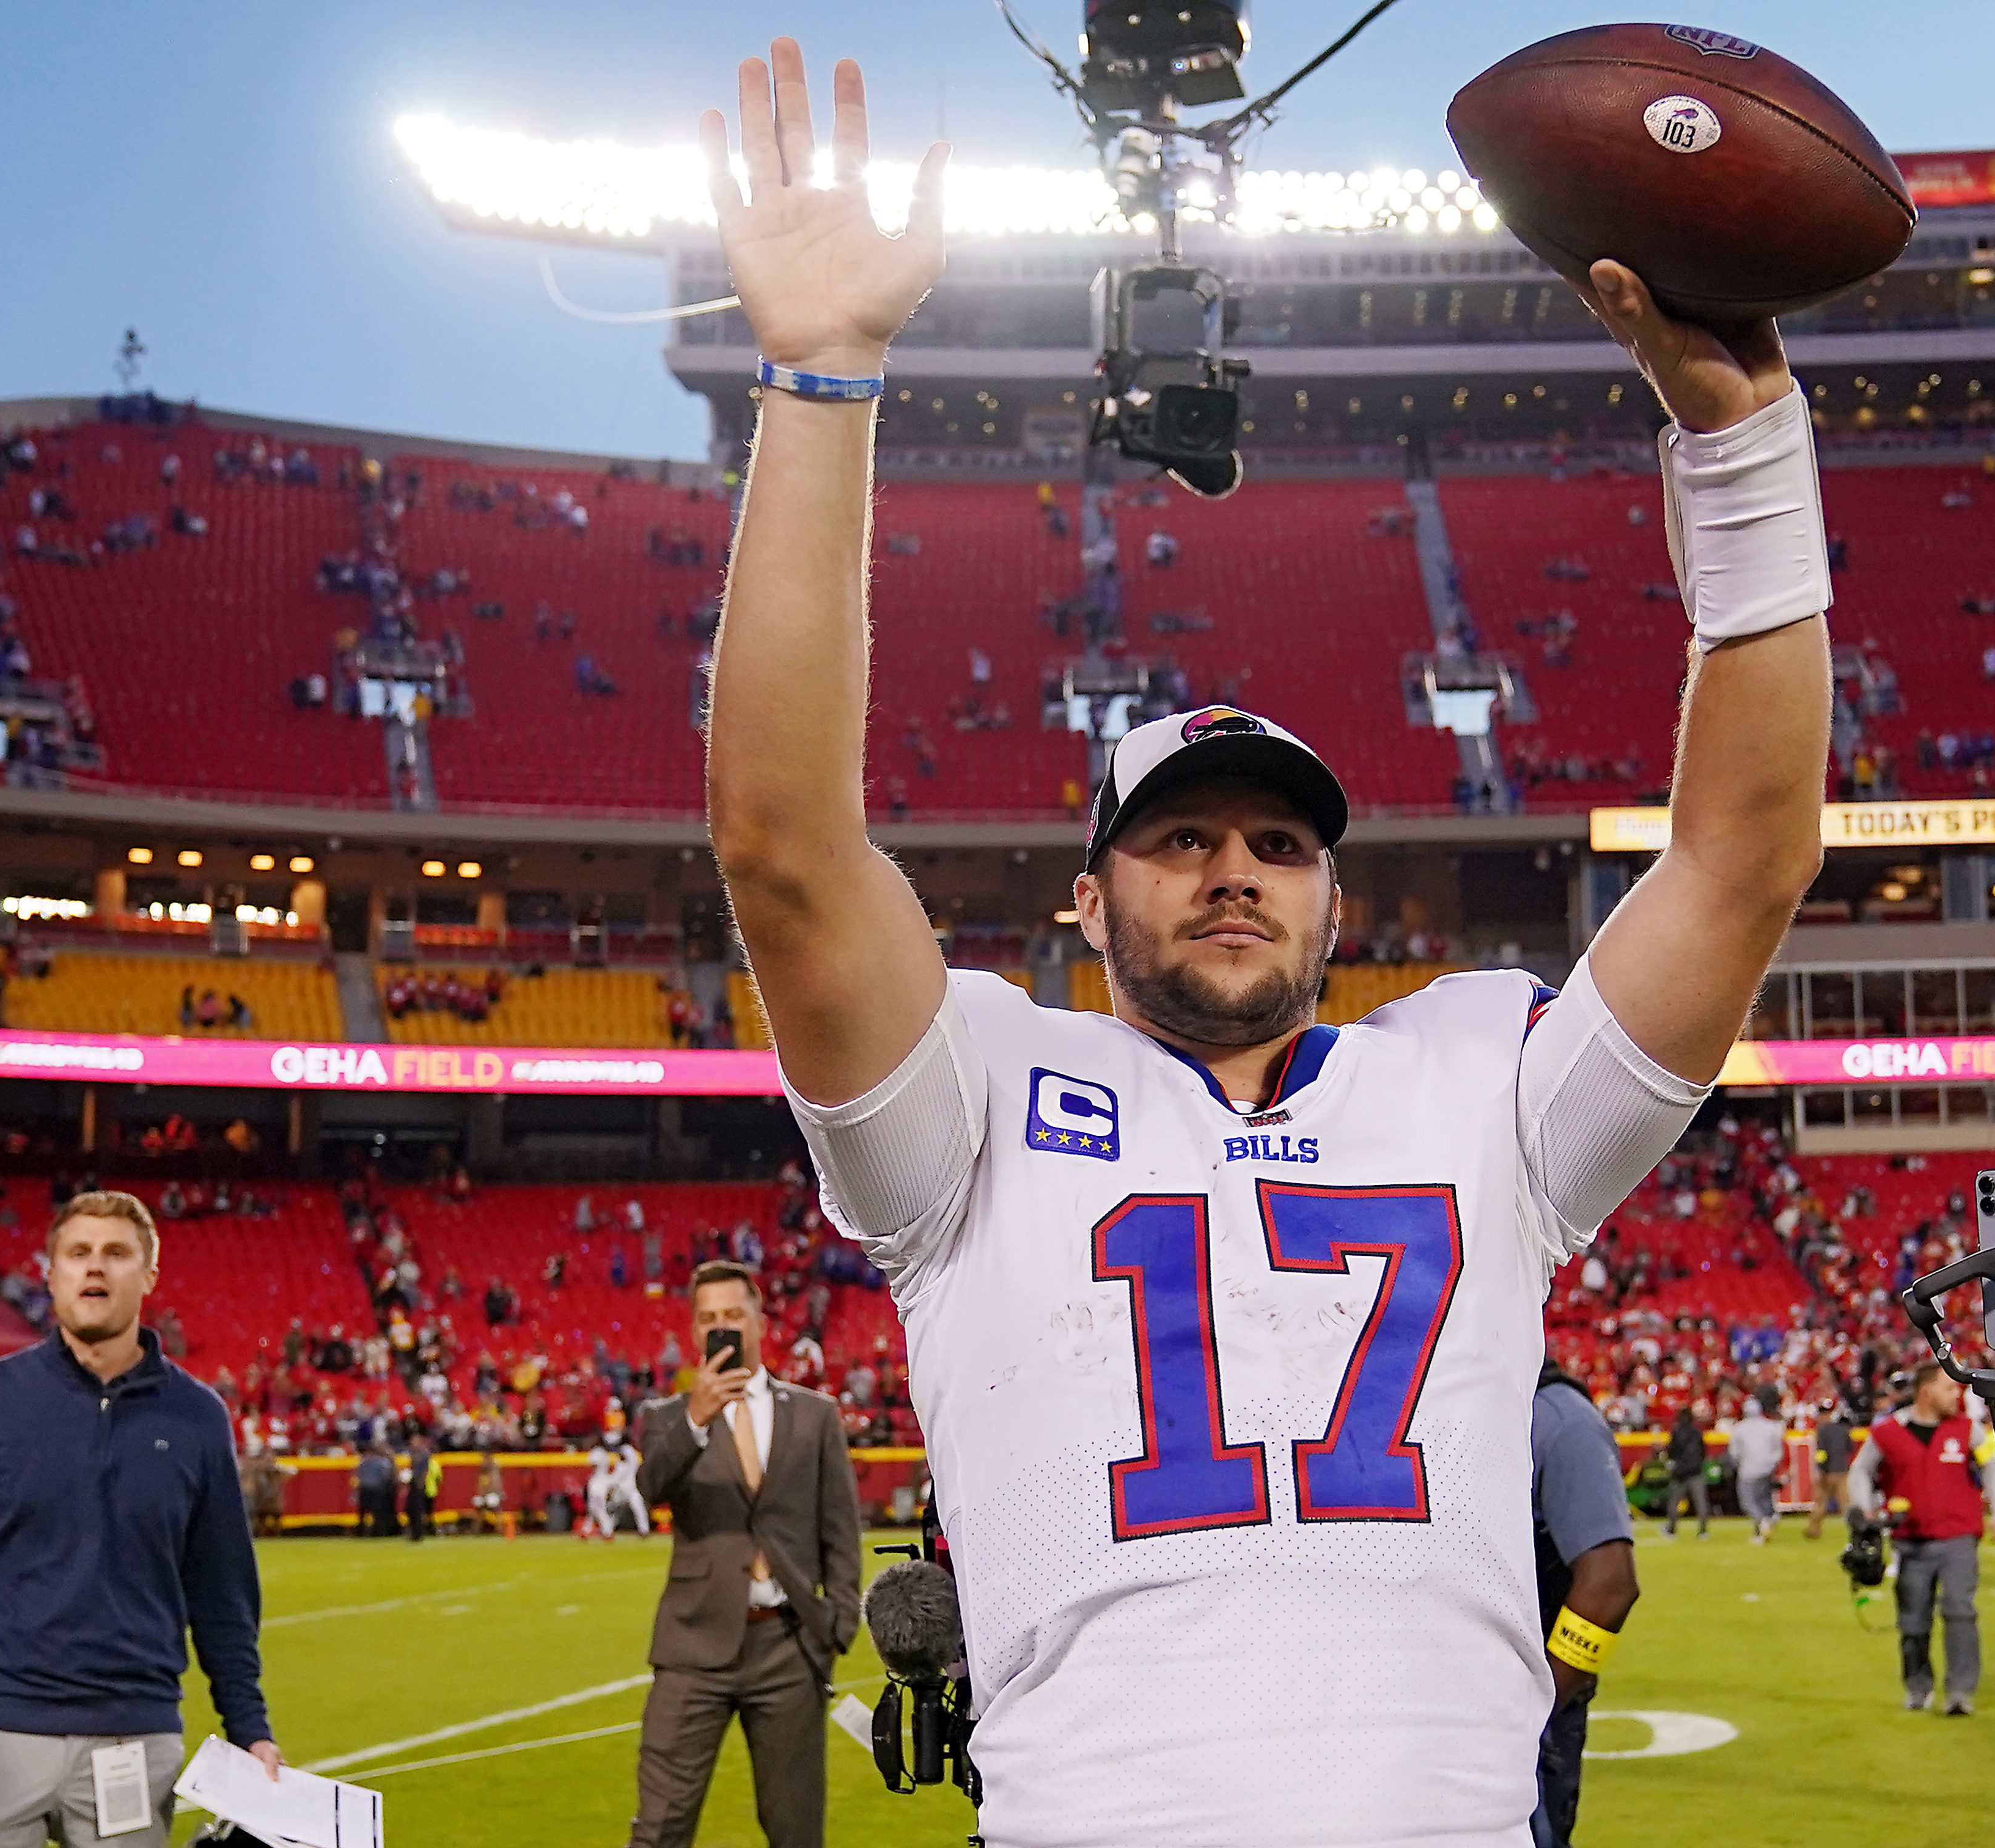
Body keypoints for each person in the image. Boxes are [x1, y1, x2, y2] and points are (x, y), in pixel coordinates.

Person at [700, 35, 1831, 1842]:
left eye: (1279, 844)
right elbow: (781, 850)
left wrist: (1745, 449)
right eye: (1175, 842)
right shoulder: (977, 1102)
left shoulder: (1481, 1079)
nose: (1232, 872)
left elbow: (1745, 859)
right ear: (1087, 900)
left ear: (1332, 897)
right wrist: (824, 374)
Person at [0, 1189, 285, 1842]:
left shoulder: (197, 1417)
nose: (95, 1268)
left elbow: (222, 1586)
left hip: (133, 1736)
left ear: (149, 1275)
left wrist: (250, 1729)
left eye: (116, 1254)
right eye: (79, 1253)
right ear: (51, 1273)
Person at [625, 1260, 861, 1848]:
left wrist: (837, 1625)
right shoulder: (665, 1419)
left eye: (733, 1314)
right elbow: (651, 1487)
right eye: (708, 1318)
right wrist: (698, 1417)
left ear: (759, 1320)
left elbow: (841, 1529)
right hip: (692, 1647)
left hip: (789, 1646)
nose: (721, 1326)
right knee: (660, 1828)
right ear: (694, 1330)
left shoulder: (815, 1415)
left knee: (795, 1830)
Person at [1851, 1365, 1995, 1715]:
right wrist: (1865, 1509)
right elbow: (1861, 1470)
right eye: (1951, 1389)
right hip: (1909, 1541)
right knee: (1913, 1621)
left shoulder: (1969, 1430)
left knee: (1959, 1610)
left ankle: (1959, 1693)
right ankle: (1918, 1686)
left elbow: (1993, 1467)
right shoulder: (1887, 1432)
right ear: (1926, 1391)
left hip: (1958, 1537)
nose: (1959, 1396)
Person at [1529, 1360, 1639, 1848]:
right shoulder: (1465, 1403)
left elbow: (1611, 1587)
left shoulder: (1559, 1418)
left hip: (1520, 1721)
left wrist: (1541, 1701)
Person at [1806, 1361, 1875, 1541]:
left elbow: (1821, 1451)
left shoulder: (1821, 1430)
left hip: (1827, 1471)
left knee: (1820, 1503)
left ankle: (1814, 1530)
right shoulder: (1844, 1430)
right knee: (1846, 1504)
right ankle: (1855, 1531)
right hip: (1842, 1470)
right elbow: (1850, 1449)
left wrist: (1821, 1469)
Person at [1726, 1388, 1789, 1544]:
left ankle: (1763, 1522)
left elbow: (1734, 1452)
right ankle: (1765, 1524)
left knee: (1748, 1502)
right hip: (1767, 1469)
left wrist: (1739, 1465)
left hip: (1748, 1471)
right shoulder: (1772, 1427)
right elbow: (1778, 1451)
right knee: (1762, 1499)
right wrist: (1771, 1464)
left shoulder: (1739, 1428)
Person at [1662, 1402, 1711, 1538]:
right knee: (1701, 1502)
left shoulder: (1677, 1432)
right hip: (1696, 1470)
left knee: (1674, 1502)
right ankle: (1703, 1531)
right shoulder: (1697, 1432)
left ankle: (1671, 1529)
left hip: (1680, 1473)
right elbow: (1703, 1451)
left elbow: (1672, 1452)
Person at [405, 1433, 439, 1542]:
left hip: (420, 1486)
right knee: (411, 1509)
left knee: (418, 1510)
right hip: (414, 1484)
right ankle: (415, 1532)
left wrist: (421, 1483)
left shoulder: (424, 1454)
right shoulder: (414, 1453)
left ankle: (418, 1534)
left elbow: (425, 1470)